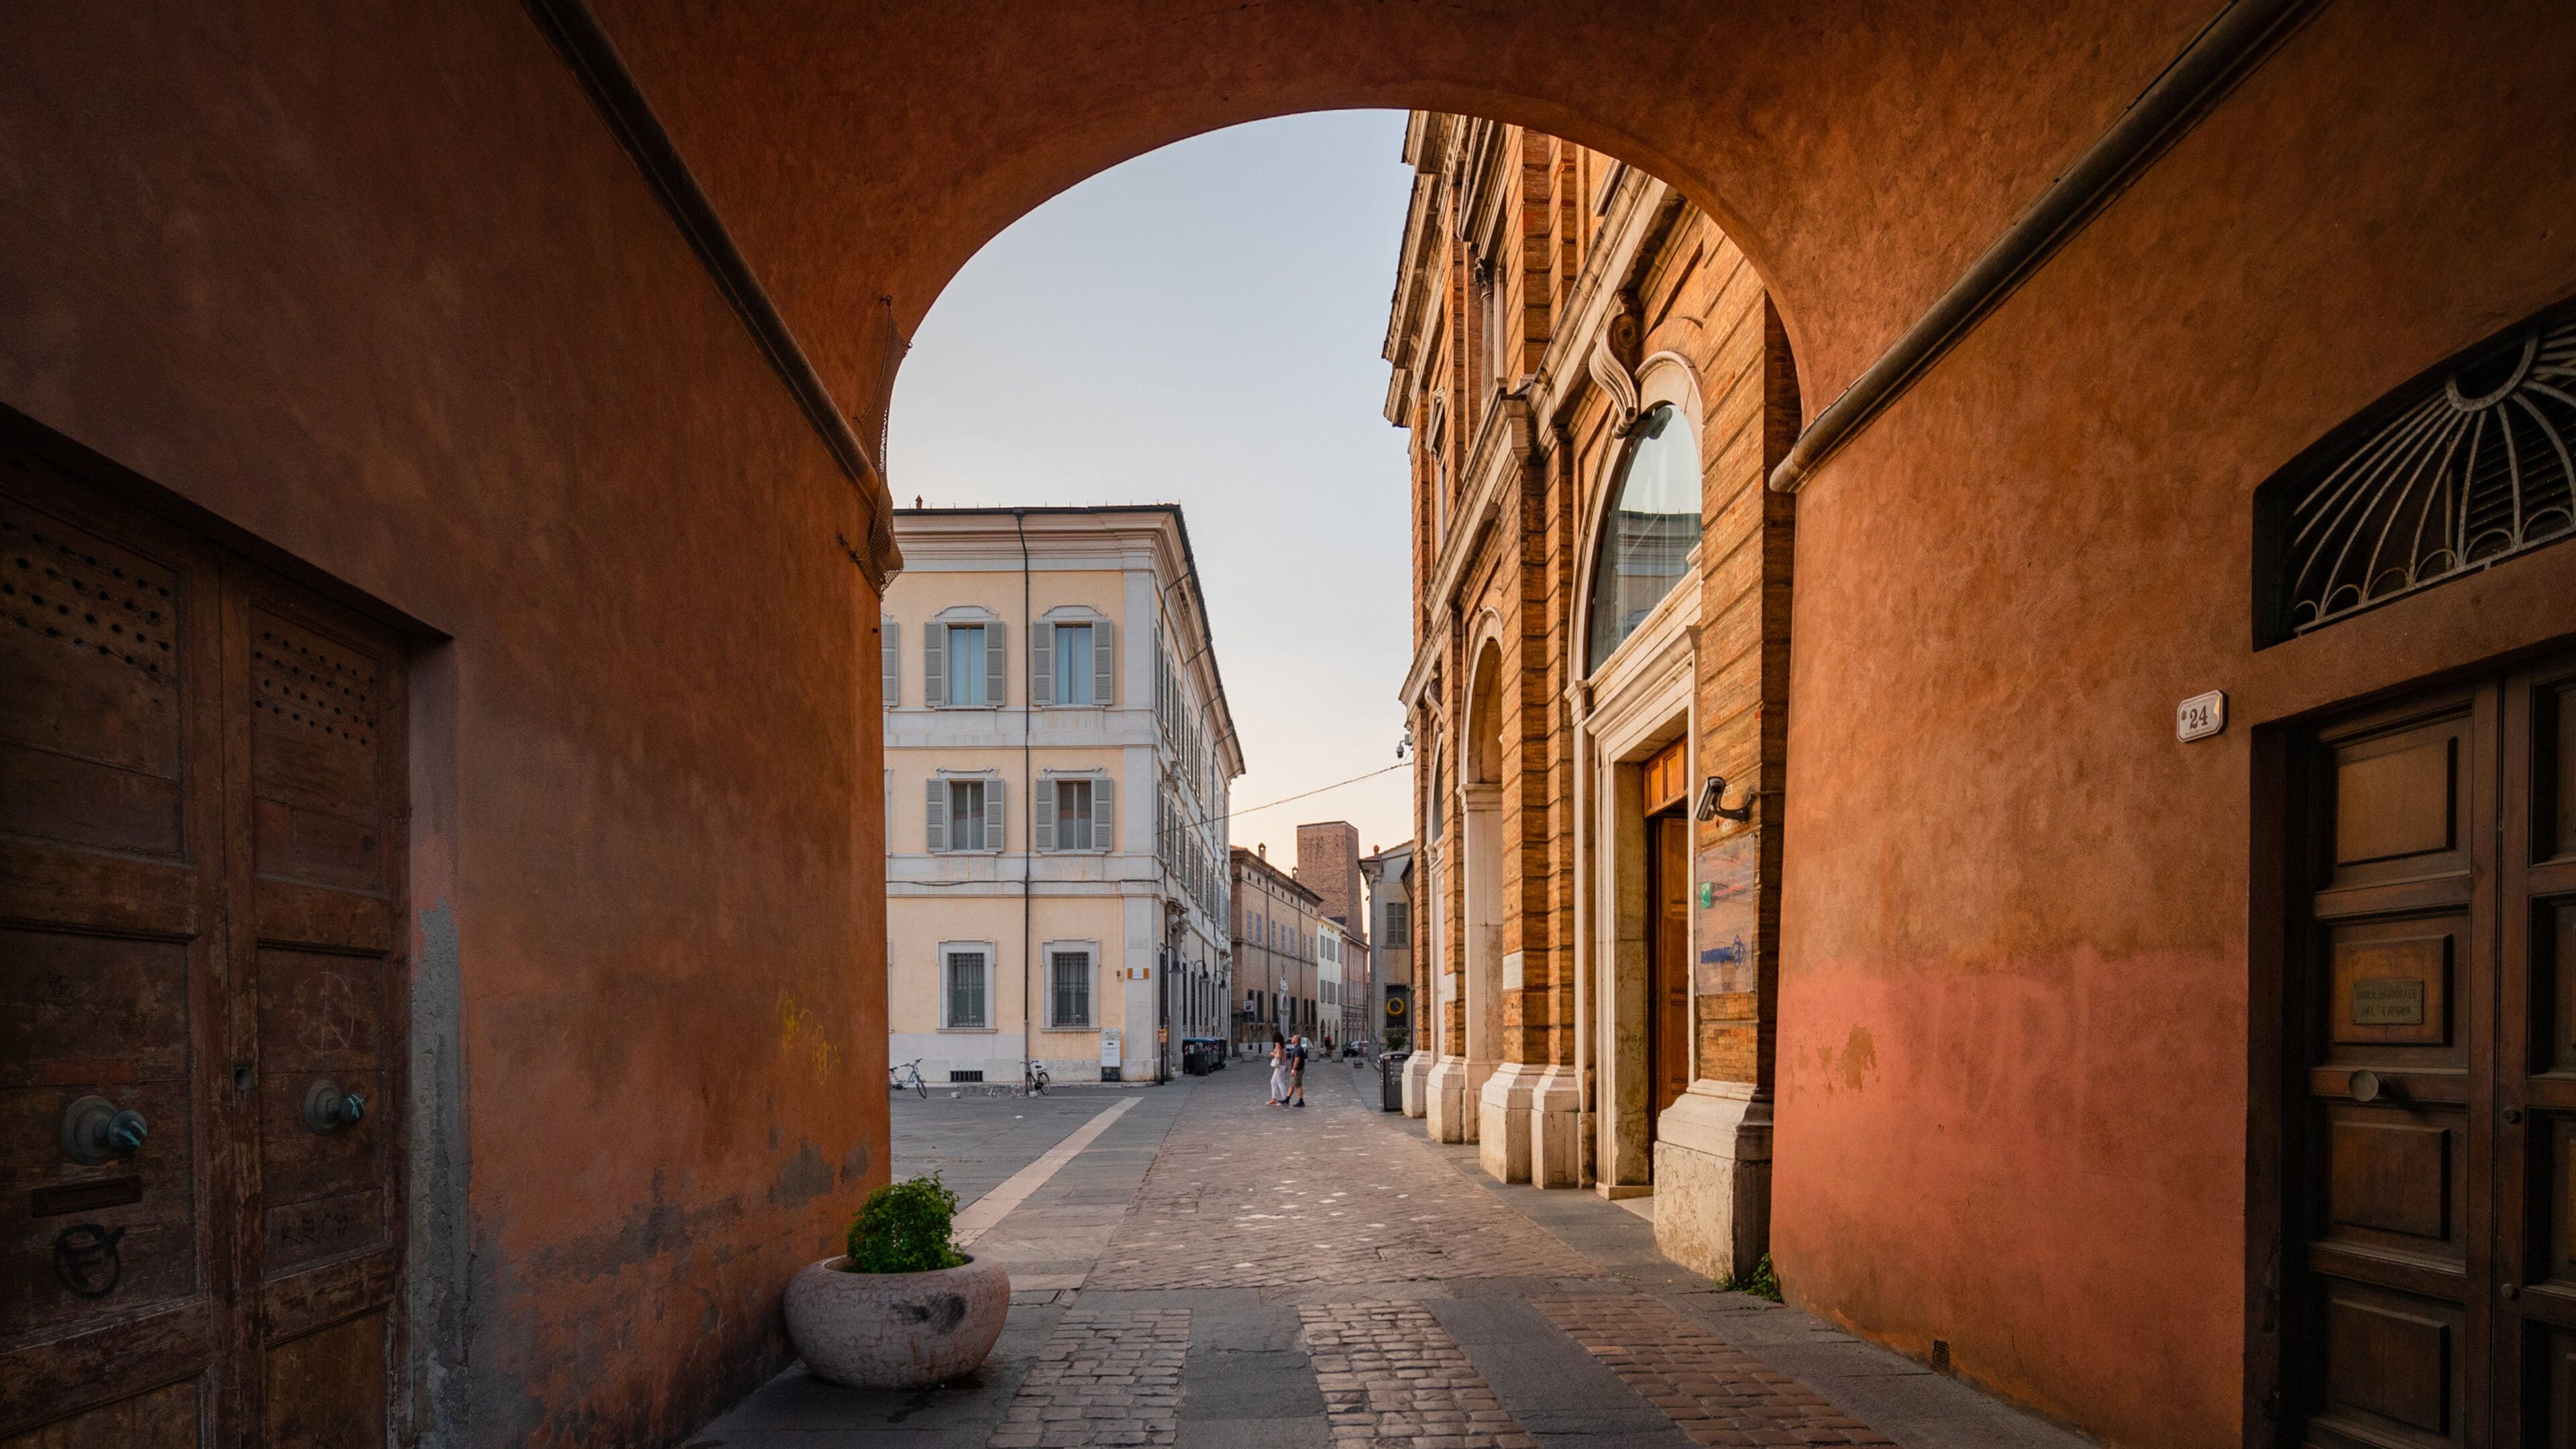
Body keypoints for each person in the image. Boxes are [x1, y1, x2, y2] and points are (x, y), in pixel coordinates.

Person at [1267, 1032, 1289, 1107]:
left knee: (1280, 1083)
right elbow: (1285, 1056)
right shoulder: (1283, 1045)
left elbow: (1279, 1056)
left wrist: (1272, 1053)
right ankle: (1274, 1098)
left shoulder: (1278, 1045)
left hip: (1279, 1065)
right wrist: (1287, 1066)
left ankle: (1285, 1100)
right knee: (1273, 1081)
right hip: (1283, 1064)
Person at [1287, 1034, 1309, 1108]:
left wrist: (1294, 1069)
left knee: (1298, 1086)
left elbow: (1297, 1060)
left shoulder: (1298, 1049)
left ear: (1296, 1040)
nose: (1292, 1039)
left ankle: (1301, 1101)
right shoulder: (1297, 1048)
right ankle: (1287, 1099)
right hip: (1297, 1070)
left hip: (1298, 1070)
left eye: (1293, 1038)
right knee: (1292, 1084)